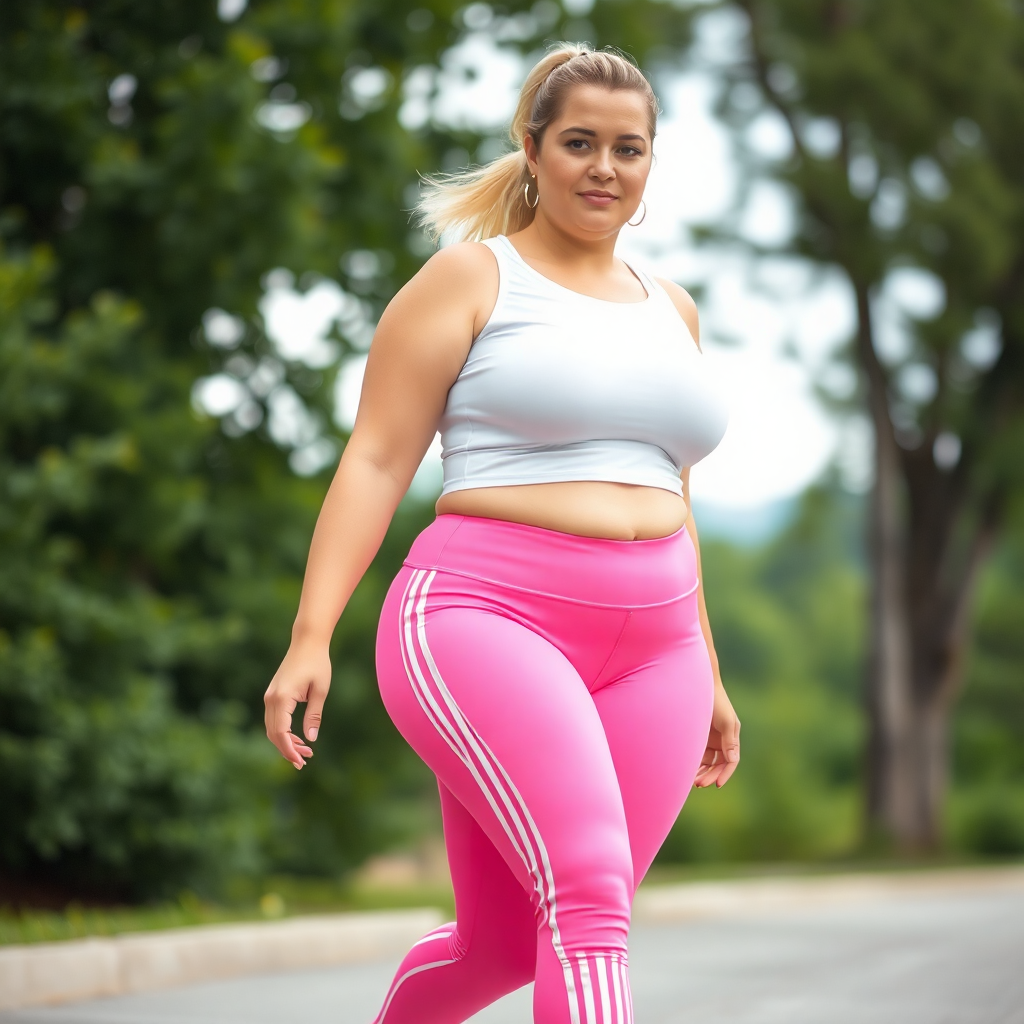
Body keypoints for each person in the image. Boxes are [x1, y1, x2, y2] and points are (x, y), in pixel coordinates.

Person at [264, 43, 740, 1024]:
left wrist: (711, 671)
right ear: (531, 149)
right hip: (483, 616)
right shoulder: (471, 281)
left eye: (628, 148)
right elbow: (375, 461)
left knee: (502, 950)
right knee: (592, 894)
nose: (604, 167)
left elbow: (671, 493)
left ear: (651, 164)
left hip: (658, 648)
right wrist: (311, 635)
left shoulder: (673, 310)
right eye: (578, 143)